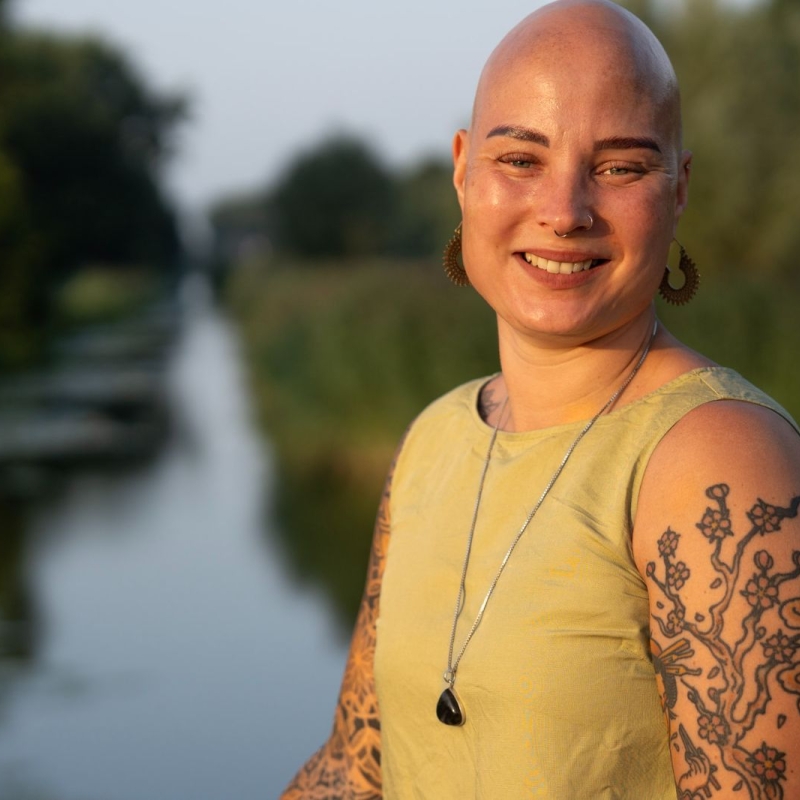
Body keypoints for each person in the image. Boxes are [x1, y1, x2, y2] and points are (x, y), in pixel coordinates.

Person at [281, 1, 800, 797]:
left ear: (678, 188)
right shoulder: (434, 438)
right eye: (521, 159)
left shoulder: (715, 459)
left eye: (620, 168)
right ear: (464, 171)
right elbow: (354, 769)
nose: (563, 212)